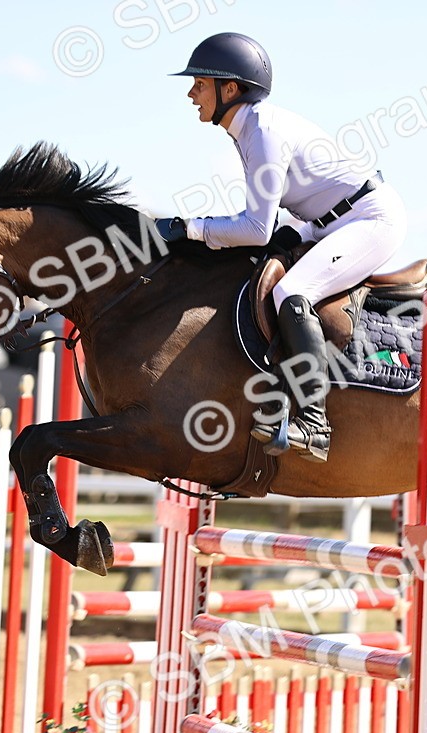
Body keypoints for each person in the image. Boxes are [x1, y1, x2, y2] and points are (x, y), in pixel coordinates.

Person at [158, 32, 407, 464]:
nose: (191, 93)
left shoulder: (263, 132)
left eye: (199, 83)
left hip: (369, 219)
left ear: (229, 88)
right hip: (320, 221)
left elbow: (254, 227)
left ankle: (314, 423)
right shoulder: (248, 127)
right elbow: (266, 225)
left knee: (291, 293)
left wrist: (193, 228)